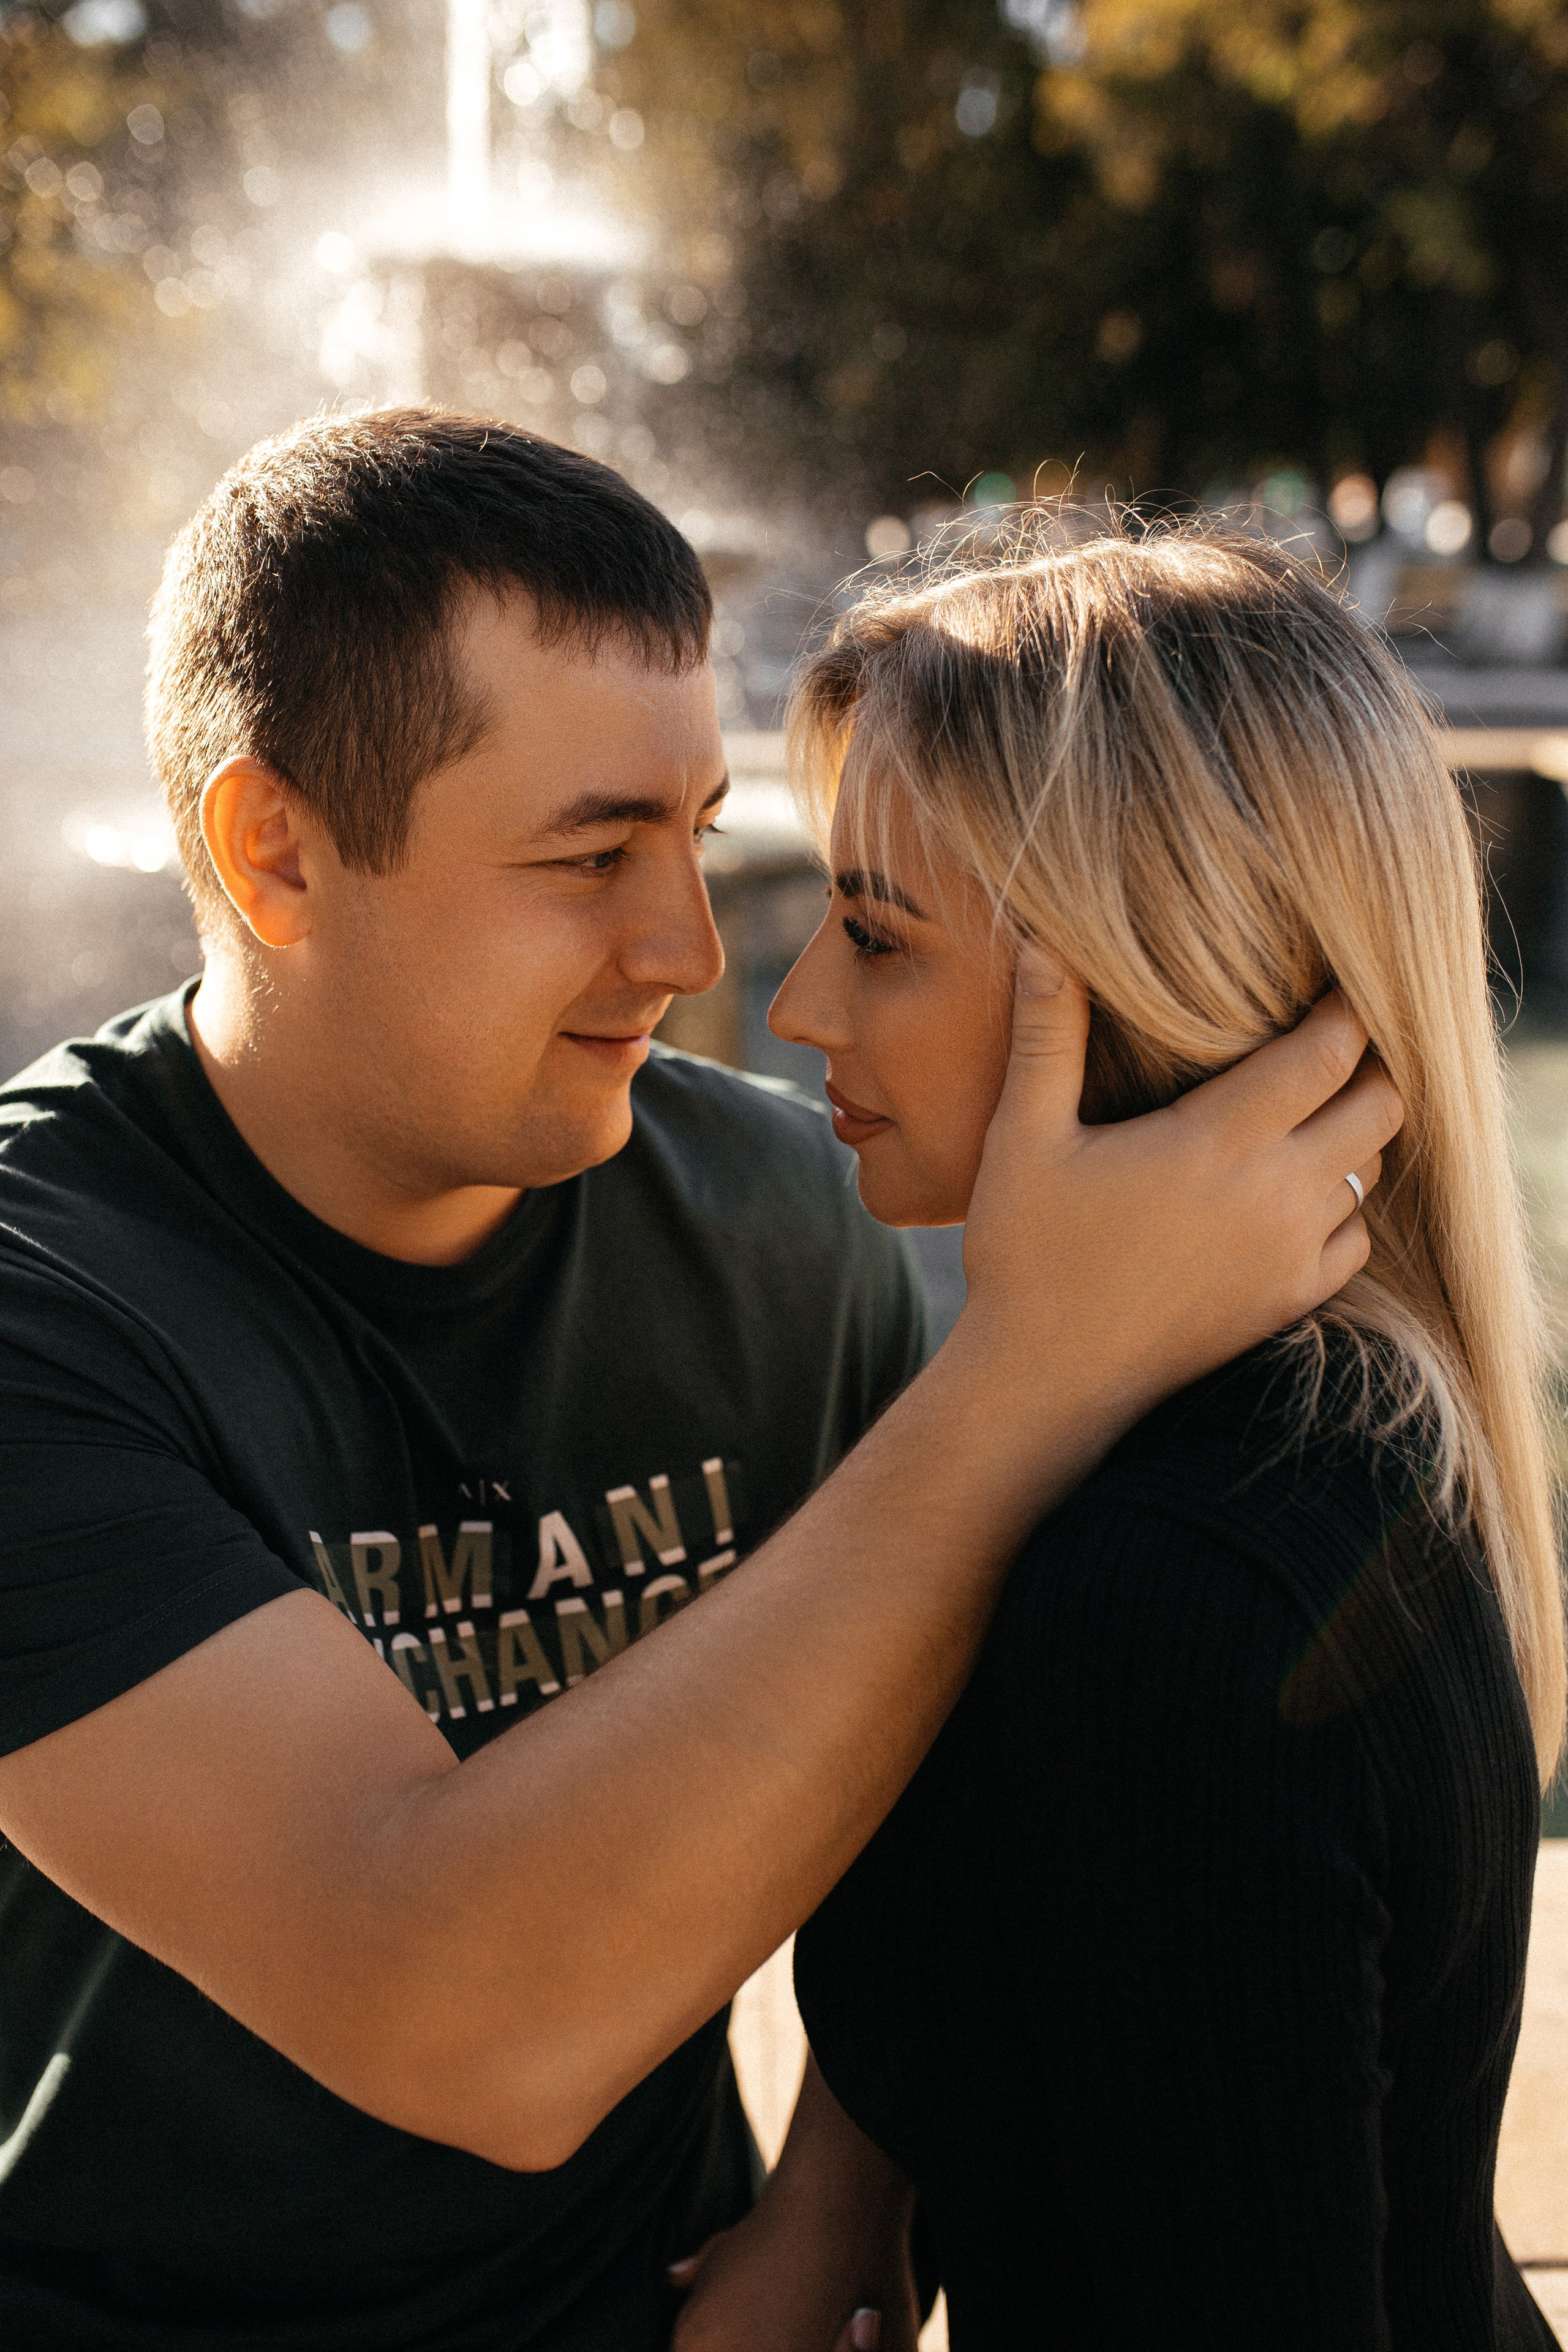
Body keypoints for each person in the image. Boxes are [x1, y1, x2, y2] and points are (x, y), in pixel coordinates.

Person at [0, 419, 1397, 2352]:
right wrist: (1034, 1373)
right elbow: (457, 2012)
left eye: (697, 837)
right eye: (591, 858)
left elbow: (930, 1789)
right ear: (277, 851)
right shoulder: (44, 1309)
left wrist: (831, 2204)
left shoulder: (769, 1216)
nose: (685, 952)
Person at [673, 521, 1562, 2351]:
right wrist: (844, 2191)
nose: (796, 1004)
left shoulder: (1171, 1590)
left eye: (876, 934)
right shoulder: (1332, 1424)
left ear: (1146, 978)